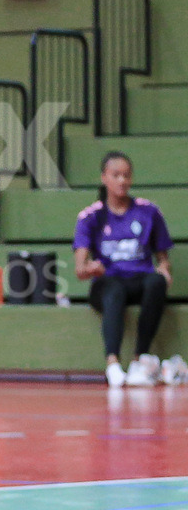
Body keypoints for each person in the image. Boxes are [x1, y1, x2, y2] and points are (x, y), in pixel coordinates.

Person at [73, 151, 173, 388]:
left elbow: (163, 259)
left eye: (126, 176)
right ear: (104, 178)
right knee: (114, 290)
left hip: (139, 279)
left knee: (156, 282)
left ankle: (139, 360)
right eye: (116, 175)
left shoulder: (149, 212)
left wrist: (164, 269)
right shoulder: (91, 216)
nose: (122, 181)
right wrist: (91, 268)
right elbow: (80, 269)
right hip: (107, 282)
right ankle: (113, 363)